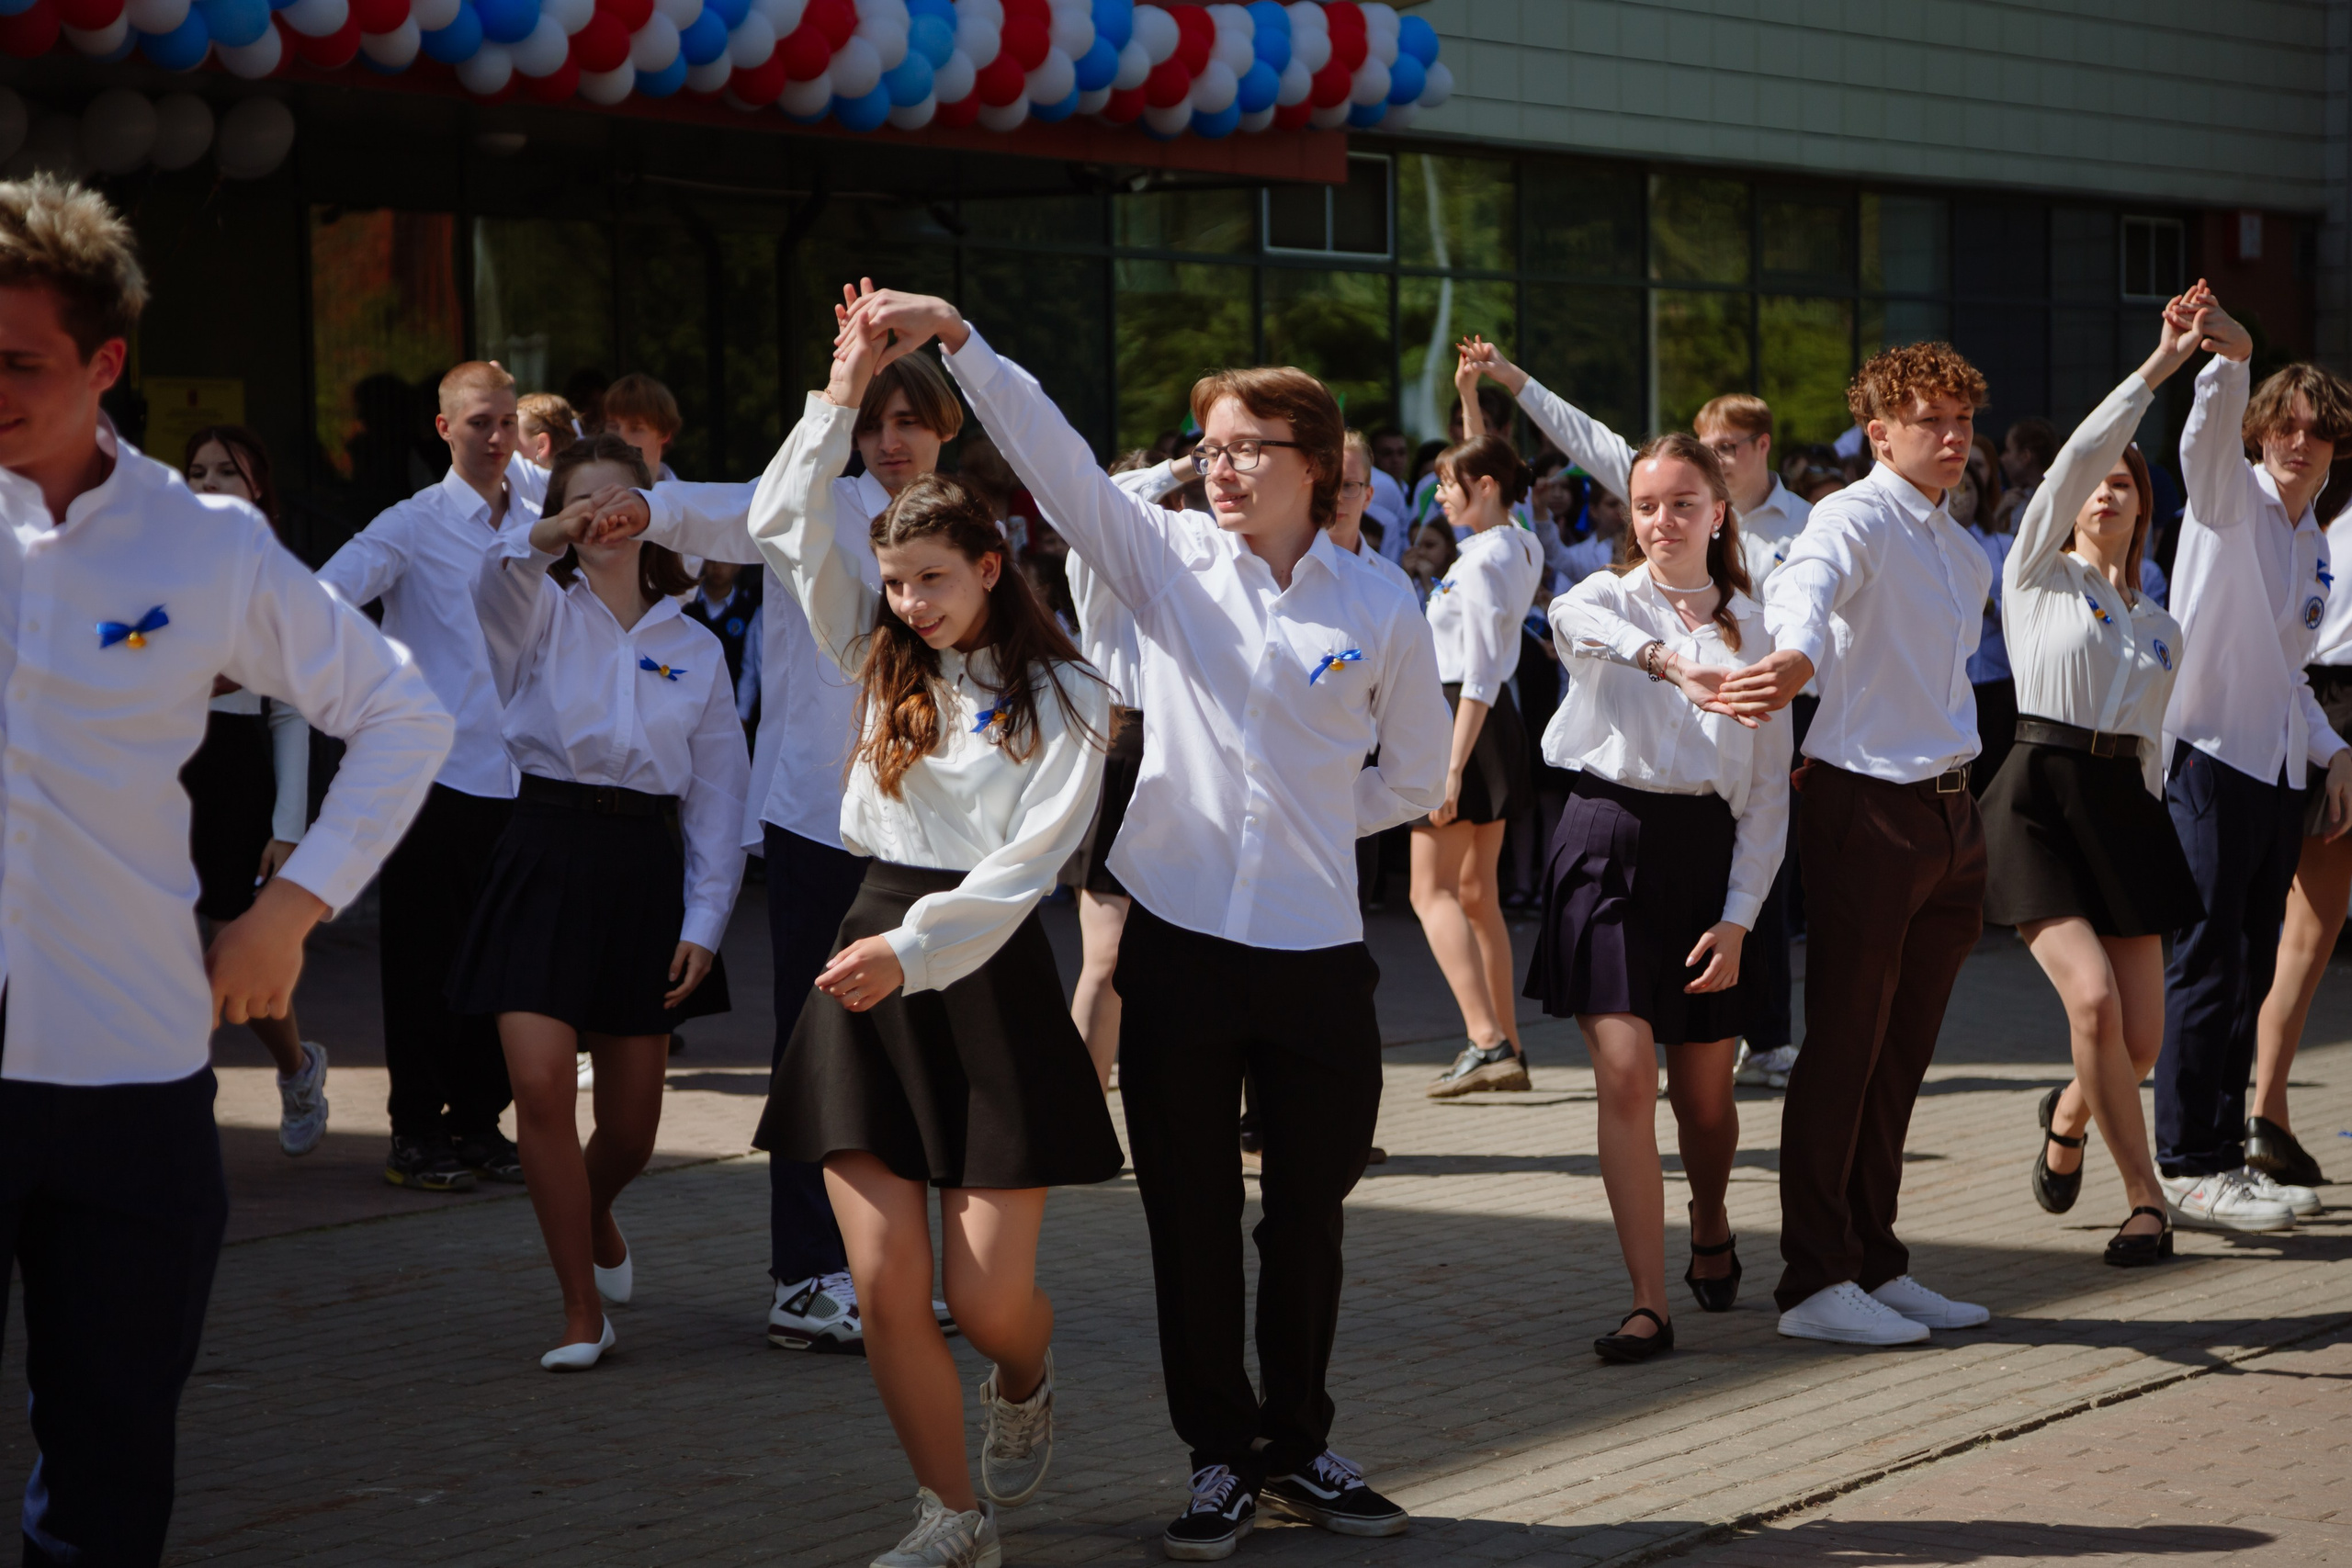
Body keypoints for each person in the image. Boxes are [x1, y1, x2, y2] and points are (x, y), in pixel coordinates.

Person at [847, 282, 1449, 1561]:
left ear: (1315, 464)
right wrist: (964, 339)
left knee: (1309, 1210)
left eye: (1246, 448)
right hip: (1176, 941)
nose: (1220, 468)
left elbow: (1415, 774)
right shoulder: (1164, 559)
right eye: (1212, 445)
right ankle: (1218, 1455)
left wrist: (1296, 829)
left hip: (1319, 953)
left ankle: (1301, 1438)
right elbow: (1061, 462)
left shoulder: (1380, 605)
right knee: (1187, 1213)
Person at [0, 175, 453, 1568]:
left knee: (112, 1468)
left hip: (129, 1073)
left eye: (19, 361)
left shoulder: (206, 545)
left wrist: (291, 907)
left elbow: (402, 710)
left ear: (105, 364)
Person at [749, 306, 1121, 1568]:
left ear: (995, 563)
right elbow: (779, 527)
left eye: (933, 582)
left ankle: (1027, 1372)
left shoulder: (1072, 694)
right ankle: (950, 1514)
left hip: (979, 964)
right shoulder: (875, 652)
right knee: (890, 1287)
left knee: (987, 1300)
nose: (910, 606)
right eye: (896, 583)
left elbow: (1027, 867)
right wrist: (840, 383)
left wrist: (912, 948)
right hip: (864, 958)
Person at [591, 350, 968, 1353]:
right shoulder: (813, 501)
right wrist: (648, 509)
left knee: (913, 1056)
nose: (890, 443)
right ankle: (806, 1275)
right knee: (821, 1053)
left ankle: (893, 1271)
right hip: (820, 821)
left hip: (934, 830)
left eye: (909, 423)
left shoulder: (968, 531)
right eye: (873, 423)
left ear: (945, 431)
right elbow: (730, 512)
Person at [1716, 341, 1998, 1347]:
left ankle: (1874, 1261)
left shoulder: (1958, 544)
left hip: (1949, 816)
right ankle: (1813, 1282)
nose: (1953, 436)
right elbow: (1807, 592)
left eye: (1962, 419)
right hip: (1864, 808)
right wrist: (1792, 655)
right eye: (1930, 420)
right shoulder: (1850, 514)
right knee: (1842, 1047)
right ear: (1879, 432)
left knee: (1901, 1055)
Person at [453, 434, 748, 1370]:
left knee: (630, 1129)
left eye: (619, 500)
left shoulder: (694, 646)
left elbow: (718, 801)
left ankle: (596, 1206)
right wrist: (548, 531)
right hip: (542, 848)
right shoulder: (532, 609)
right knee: (537, 1087)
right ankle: (581, 1311)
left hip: (642, 870)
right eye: (582, 503)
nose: (601, 516)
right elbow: (499, 575)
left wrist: (705, 924)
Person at [1531, 433, 1789, 1359]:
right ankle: (1648, 1301)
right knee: (1626, 1073)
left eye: (1682, 503)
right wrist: (1670, 661)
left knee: (1706, 1100)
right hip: (1602, 842)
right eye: (1645, 505)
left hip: (1706, 860)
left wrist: (1739, 917)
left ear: (1718, 511)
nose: (1661, 521)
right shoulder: (1604, 598)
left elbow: (1763, 797)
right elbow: (1572, 624)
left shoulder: (1757, 629)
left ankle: (1710, 1215)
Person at [1986, 305, 2211, 1261]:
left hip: (2127, 808)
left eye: (2126, 482)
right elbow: (2080, 451)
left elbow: (2153, 742)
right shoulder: (2035, 572)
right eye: (2095, 483)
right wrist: (2159, 368)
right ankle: (2144, 1200)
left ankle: (2071, 1113)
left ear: (2142, 504)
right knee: (2092, 1008)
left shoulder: (2161, 624)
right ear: (2069, 499)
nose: (2107, 492)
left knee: (2140, 1044)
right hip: (2040, 792)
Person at [2156, 282, 2351, 1226]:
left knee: (2247, 966)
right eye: (2284, 425)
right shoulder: (2225, 499)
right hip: (2206, 760)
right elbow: (2200, 442)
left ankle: (2227, 1149)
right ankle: (2185, 1159)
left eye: (2315, 431)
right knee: (2203, 965)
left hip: (2273, 773)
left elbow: (2289, 674)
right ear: (2260, 430)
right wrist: (2226, 362)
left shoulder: (2312, 541)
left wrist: (2331, 748)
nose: (2297, 441)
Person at [319, 358, 533, 1194]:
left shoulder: (540, 513)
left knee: (504, 962)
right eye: (478, 422)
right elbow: (327, 597)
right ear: (444, 429)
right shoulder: (410, 523)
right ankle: (415, 1131)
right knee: (423, 962)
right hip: (434, 780)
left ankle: (479, 1122)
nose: (495, 437)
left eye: (506, 421)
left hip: (523, 778)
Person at [181, 424, 329, 1155]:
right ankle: (182, 1105)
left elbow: (294, 712)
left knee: (237, 952)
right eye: (198, 472)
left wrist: (290, 826)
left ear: (258, 488)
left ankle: (298, 1067)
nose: (209, 484)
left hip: (237, 768)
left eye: (227, 474)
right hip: (161, 765)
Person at [1414, 431, 1545, 1099]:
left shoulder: (1485, 561)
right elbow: (1486, 454)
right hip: (1485, 720)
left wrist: (1452, 766)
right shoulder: (1518, 541)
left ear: (1486, 487)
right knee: (1474, 894)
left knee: (1426, 889)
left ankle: (1487, 1040)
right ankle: (1509, 1045)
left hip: (1463, 718)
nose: (1439, 494)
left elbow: (1480, 673)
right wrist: (1470, 395)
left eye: (1448, 482)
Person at [2249, 488, 2352, 1192]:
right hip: (2329, 710)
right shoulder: (2316, 526)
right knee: (2307, 936)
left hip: (2323, 704)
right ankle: (2264, 1114)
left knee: (2307, 937)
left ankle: (2267, 1115)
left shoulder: (2323, 527)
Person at [605, 372, 682, 479]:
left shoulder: (684, 496)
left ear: (664, 434)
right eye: (613, 427)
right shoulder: (587, 491)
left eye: (635, 429)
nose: (621, 437)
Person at [511, 390, 577, 513]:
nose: (504, 443)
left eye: (513, 437)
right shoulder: (577, 482)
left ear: (541, 445)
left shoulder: (531, 479)